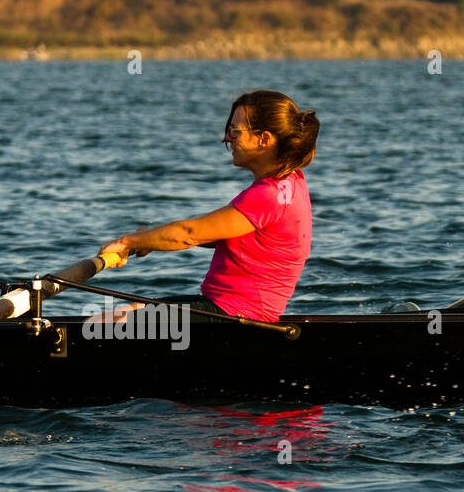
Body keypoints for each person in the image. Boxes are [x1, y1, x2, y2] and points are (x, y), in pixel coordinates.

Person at [98, 90, 318, 322]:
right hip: (230, 310)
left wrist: (126, 242)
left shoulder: (267, 195)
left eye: (235, 131)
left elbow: (188, 235)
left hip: (235, 316)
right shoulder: (292, 180)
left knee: (108, 325)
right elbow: (228, 235)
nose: (226, 138)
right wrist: (150, 239)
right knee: (127, 312)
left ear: (264, 139)